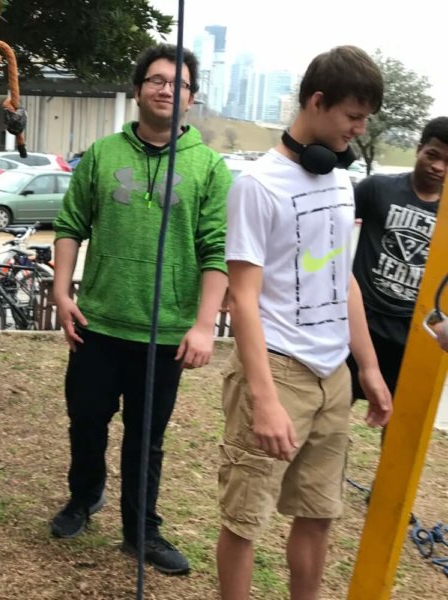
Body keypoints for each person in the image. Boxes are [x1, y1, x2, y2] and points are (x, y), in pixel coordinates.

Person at [215, 46, 393, 600]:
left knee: (318, 514)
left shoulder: (340, 183)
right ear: (317, 101)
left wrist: (368, 368)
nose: (358, 130)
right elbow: (241, 299)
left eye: (365, 119)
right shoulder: (258, 185)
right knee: (244, 519)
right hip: (278, 369)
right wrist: (264, 398)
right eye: (352, 117)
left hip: (332, 374)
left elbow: (344, 281)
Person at [50, 43, 231, 576]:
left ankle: (140, 530)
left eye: (178, 84)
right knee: (86, 421)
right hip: (98, 322)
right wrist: (62, 292)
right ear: (137, 91)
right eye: (155, 79)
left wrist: (203, 325)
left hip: (164, 331)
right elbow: (70, 225)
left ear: (191, 99)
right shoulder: (103, 154)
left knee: (146, 438)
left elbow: (217, 250)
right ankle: (84, 498)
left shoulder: (210, 168)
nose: (165, 89)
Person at [349, 116, 448, 397]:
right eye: (432, 155)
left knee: (398, 431)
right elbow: (327, 234)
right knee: (329, 414)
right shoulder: (376, 189)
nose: (438, 167)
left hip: (412, 338)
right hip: (357, 328)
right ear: (419, 149)